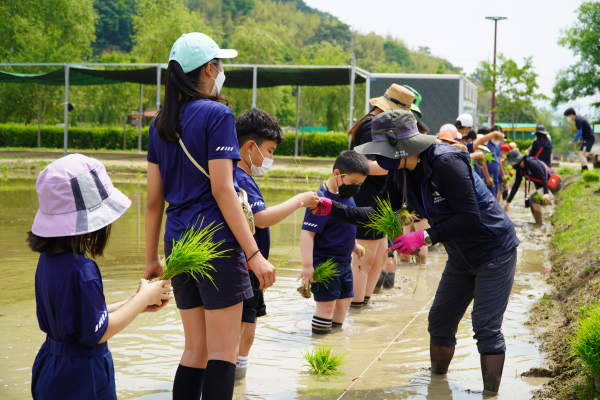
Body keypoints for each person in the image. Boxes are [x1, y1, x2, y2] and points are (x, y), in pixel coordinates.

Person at [312, 109, 519, 394]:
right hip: (460, 257)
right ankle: (437, 387)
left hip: (493, 250)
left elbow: (469, 216)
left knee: (485, 328)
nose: (376, 159)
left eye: (382, 151)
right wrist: (333, 208)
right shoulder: (400, 174)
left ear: (402, 147)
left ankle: (490, 394)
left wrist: (424, 237)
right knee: (439, 322)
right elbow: (377, 212)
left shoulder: (446, 163)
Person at [144, 33, 276, 399]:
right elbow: (222, 189)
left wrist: (152, 259)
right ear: (207, 69)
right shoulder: (218, 114)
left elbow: (154, 201)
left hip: (179, 244)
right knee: (222, 352)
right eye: (220, 64)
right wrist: (254, 254)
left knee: (195, 350)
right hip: (215, 242)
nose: (222, 71)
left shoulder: (160, 124)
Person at [29, 154, 173, 400]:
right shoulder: (83, 269)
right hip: (83, 377)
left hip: (49, 365)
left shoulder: (47, 261)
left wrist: (135, 301)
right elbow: (98, 332)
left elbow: (83, 318)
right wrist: (142, 298)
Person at [233, 107, 319, 378]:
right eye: (269, 151)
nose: (270, 158)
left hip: (246, 267)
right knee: (244, 325)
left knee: (249, 322)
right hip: (246, 267)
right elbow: (261, 219)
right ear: (250, 147)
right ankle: (234, 378)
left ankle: (237, 378)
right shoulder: (241, 178)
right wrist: (299, 200)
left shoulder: (234, 175)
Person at [347, 84, 416, 308]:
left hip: (381, 196)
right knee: (363, 259)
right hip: (366, 197)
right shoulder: (371, 128)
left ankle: (363, 304)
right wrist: (398, 165)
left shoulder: (379, 125)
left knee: (378, 257)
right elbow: (361, 165)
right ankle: (356, 306)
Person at [299, 150, 369, 334]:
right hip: (325, 262)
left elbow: (344, 225)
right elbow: (307, 233)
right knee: (326, 305)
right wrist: (307, 266)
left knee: (345, 301)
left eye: (360, 184)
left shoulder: (347, 197)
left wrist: (354, 245)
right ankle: (320, 345)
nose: (356, 188)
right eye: (353, 183)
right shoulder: (320, 200)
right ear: (337, 174)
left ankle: (336, 343)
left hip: (345, 262)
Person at [504, 149, 563, 225]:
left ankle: (539, 223)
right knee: (532, 203)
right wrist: (508, 202)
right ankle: (538, 222)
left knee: (533, 198)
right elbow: (516, 186)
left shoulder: (531, 163)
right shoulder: (520, 170)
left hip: (554, 184)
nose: (512, 165)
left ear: (518, 160)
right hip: (545, 186)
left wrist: (546, 193)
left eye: (512, 163)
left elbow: (543, 177)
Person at [479, 127, 505, 200]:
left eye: (499, 137)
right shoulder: (487, 145)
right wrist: (487, 177)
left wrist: (503, 175)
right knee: (489, 200)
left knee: (494, 199)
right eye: (496, 136)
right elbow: (483, 162)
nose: (497, 139)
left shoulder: (498, 146)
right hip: (489, 177)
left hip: (495, 177)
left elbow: (498, 159)